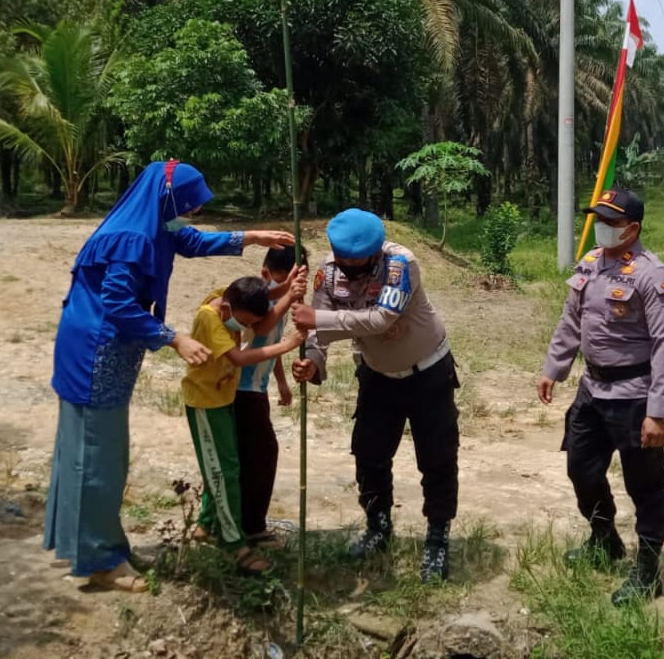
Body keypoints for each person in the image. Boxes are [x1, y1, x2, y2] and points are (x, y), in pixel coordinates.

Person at [43, 159, 294, 593]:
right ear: (167, 199)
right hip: (95, 355)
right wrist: (173, 338)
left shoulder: (153, 224)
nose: (192, 215)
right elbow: (118, 303)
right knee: (96, 457)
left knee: (93, 453)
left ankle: (97, 546)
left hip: (105, 350)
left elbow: (191, 241)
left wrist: (252, 237)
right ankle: (101, 561)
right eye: (188, 206)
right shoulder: (133, 238)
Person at [290, 208, 459, 584]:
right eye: (344, 258)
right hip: (377, 375)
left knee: (437, 456)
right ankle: (378, 526)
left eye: (359, 259)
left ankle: (437, 537)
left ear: (374, 251)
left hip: (428, 371)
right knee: (368, 453)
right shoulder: (328, 273)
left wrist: (317, 321)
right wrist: (313, 363)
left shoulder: (401, 264)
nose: (350, 265)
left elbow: (381, 319)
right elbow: (316, 327)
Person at [536, 187, 664, 605]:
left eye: (610, 222)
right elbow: (571, 319)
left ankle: (648, 570)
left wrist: (659, 413)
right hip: (592, 389)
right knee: (581, 469)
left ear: (632, 228)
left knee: (645, 486)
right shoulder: (590, 264)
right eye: (597, 218)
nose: (600, 227)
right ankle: (604, 539)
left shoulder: (654, 277)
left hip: (635, 396)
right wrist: (555, 368)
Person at [183, 273, 307, 573]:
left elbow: (264, 297)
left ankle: (208, 524)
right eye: (245, 322)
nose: (248, 328)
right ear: (227, 307)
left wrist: (287, 290)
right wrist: (287, 345)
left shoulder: (228, 297)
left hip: (222, 400)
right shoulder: (211, 318)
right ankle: (232, 542)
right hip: (205, 404)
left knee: (228, 467)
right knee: (223, 473)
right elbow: (238, 358)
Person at [234, 245, 307, 546]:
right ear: (267, 274)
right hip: (241, 390)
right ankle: (253, 527)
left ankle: (238, 520)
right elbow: (262, 325)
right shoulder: (252, 298)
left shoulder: (281, 301)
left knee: (248, 456)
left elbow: (271, 342)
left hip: (257, 389)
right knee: (261, 456)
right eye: (287, 278)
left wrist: (281, 382)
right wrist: (288, 294)